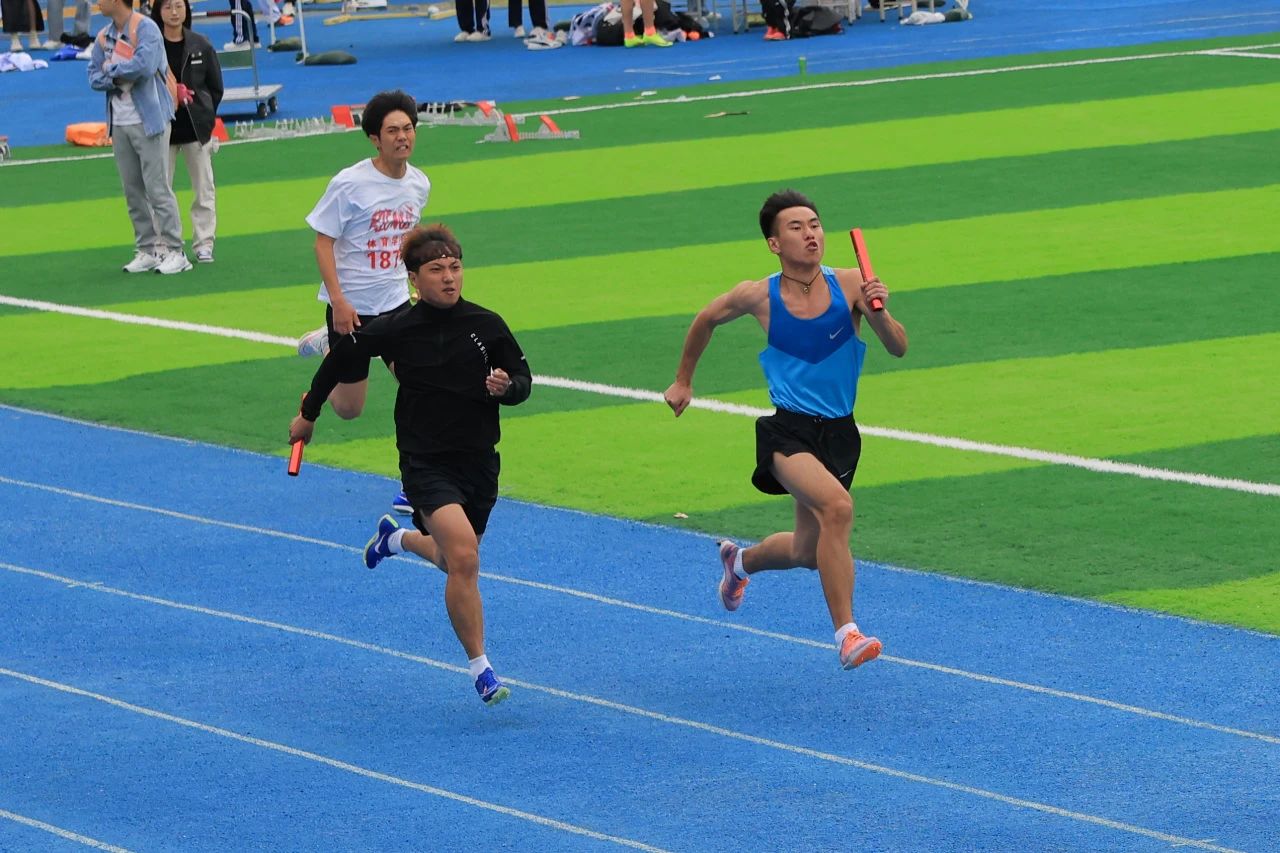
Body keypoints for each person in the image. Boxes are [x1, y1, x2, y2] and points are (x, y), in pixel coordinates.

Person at [663, 189, 908, 671]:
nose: (810, 234)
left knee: (807, 551)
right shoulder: (758, 295)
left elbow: (898, 347)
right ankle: (847, 634)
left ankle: (739, 563)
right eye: (796, 227)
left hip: (839, 433)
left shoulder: (851, 284)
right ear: (774, 243)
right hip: (787, 432)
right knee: (838, 508)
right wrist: (683, 379)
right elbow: (706, 318)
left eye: (815, 224)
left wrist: (879, 312)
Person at [289, 224, 533, 707]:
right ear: (414, 280)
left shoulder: (487, 325)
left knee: (451, 559)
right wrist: (308, 415)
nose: (449, 277)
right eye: (437, 269)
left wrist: (508, 388)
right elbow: (339, 361)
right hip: (424, 463)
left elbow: (523, 379)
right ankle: (482, 670)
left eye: (455, 267)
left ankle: (396, 539)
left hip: (479, 464)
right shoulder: (397, 328)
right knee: (464, 558)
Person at [295, 89, 430, 515]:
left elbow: (408, 235)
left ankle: (415, 482)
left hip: (396, 307)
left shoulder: (419, 183)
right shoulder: (349, 184)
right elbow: (323, 243)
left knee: (421, 387)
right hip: (352, 310)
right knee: (349, 409)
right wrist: (338, 302)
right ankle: (327, 346)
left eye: (408, 128)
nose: (402, 137)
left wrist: (414, 280)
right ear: (375, 138)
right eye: (392, 131)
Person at [88, 0, 192, 275]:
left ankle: (176, 251)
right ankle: (147, 249)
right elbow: (93, 76)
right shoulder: (104, 36)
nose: (97, 3)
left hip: (149, 120)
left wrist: (110, 69)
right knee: (132, 190)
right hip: (119, 123)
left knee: (157, 188)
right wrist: (117, 76)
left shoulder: (146, 29)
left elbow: (144, 67)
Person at [153, 0, 223, 263]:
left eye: (179, 6)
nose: (174, 12)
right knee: (160, 189)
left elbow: (215, 87)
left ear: (186, 10)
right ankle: (162, 243)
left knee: (204, 188)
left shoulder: (200, 44)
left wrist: (204, 112)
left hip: (196, 128)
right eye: (168, 7)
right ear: (158, 11)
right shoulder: (151, 45)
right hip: (162, 127)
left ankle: (204, 242)